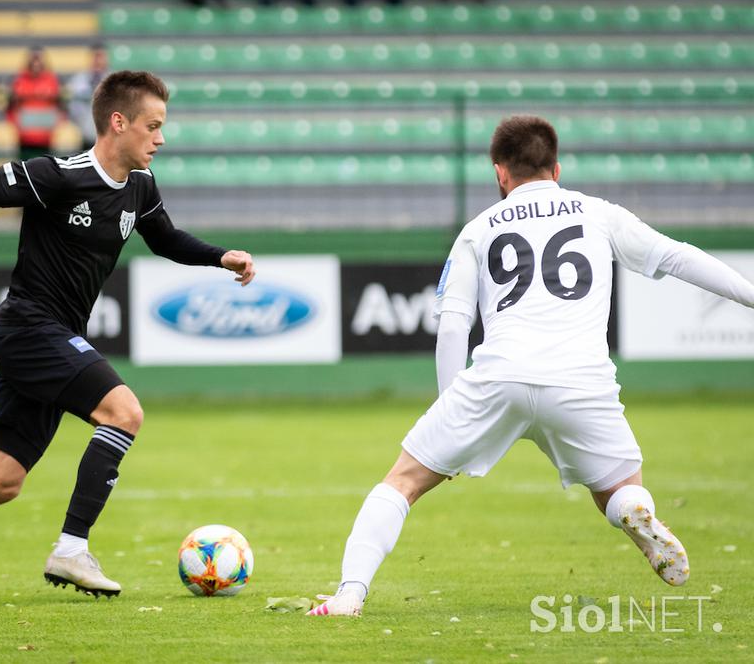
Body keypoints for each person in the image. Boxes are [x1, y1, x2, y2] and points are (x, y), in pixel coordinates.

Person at [0, 70, 256, 604]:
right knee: (124, 413)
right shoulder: (59, 174)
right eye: (153, 126)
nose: (161, 138)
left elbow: (166, 238)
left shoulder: (141, 187)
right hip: (30, 328)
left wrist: (221, 256)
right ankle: (72, 547)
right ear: (118, 122)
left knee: (0, 482)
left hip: (50, 337)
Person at [307, 115, 754, 617]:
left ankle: (348, 595)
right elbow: (677, 258)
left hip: (501, 375)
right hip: (582, 381)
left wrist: (450, 411)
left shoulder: (477, 230)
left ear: (500, 173)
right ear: (556, 167)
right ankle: (631, 509)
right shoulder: (598, 213)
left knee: (402, 482)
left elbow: (454, 326)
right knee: (621, 488)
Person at [8, 47, 63, 159]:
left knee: (45, 170)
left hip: (45, 136)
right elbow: (11, 106)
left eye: (38, 58)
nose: (36, 62)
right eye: (34, 58)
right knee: (25, 169)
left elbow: (59, 106)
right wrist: (17, 125)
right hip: (25, 136)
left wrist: (55, 124)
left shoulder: (51, 80)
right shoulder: (19, 80)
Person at [65, 44, 108, 151]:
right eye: (95, 57)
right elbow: (71, 105)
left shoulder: (114, 81)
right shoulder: (78, 81)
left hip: (107, 136)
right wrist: (80, 121)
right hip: (85, 134)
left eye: (100, 57)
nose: (97, 61)